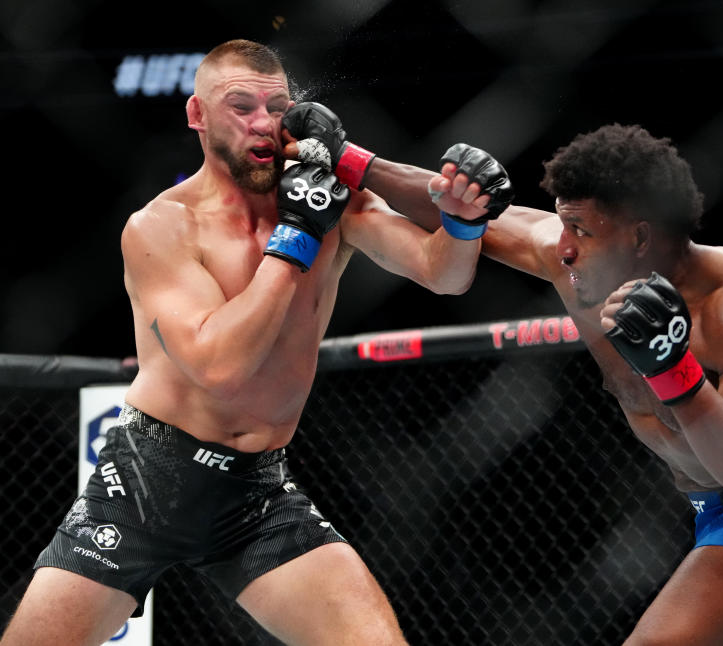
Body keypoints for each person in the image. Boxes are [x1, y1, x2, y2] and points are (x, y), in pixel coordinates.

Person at [0, 40, 513, 646]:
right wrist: (297, 235)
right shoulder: (161, 227)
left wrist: (460, 220)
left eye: (276, 106)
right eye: (240, 105)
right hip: (146, 483)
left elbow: (444, 275)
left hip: (256, 492)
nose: (262, 122)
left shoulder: (331, 203)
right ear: (198, 115)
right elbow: (221, 367)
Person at [313, 121, 723, 645]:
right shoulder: (573, 260)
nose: (562, 245)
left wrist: (675, 371)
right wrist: (352, 160)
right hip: (714, 512)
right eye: (563, 222)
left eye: (581, 228)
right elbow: (466, 214)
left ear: (640, 237)